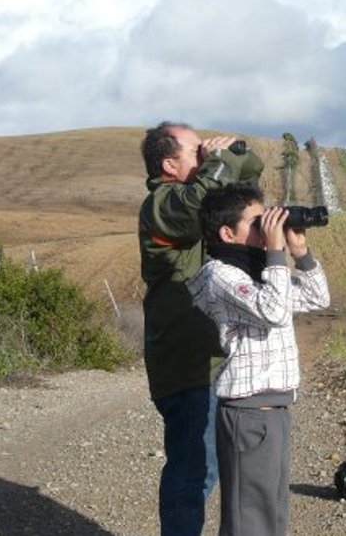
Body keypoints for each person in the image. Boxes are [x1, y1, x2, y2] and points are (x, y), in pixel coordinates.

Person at [138, 122, 264, 536]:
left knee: (214, 465)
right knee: (195, 469)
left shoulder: (195, 194)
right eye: (196, 151)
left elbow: (247, 183)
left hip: (213, 358)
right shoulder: (160, 204)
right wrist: (219, 163)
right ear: (169, 164)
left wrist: (237, 156)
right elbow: (193, 211)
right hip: (188, 361)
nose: (205, 155)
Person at [186, 182, 330, 536]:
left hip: (273, 412)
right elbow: (275, 311)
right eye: (256, 222)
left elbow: (317, 298)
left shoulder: (260, 273)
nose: (267, 226)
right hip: (248, 414)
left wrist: (300, 252)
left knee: (271, 515)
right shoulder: (218, 274)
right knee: (249, 522)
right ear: (226, 232)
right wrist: (276, 254)